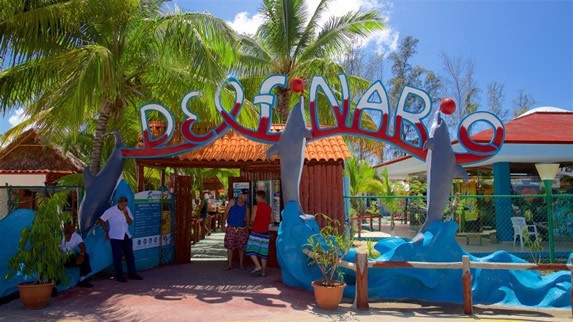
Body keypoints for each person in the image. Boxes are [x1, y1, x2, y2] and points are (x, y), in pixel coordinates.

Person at [98, 196, 143, 283]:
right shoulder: (111, 211)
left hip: (126, 235)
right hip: (115, 236)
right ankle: (119, 276)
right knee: (117, 256)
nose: (123, 206)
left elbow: (130, 222)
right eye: (122, 204)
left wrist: (126, 214)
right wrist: (107, 231)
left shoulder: (127, 209)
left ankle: (132, 274)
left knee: (130, 255)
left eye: (125, 204)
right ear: (118, 203)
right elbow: (101, 220)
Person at [245, 190, 273, 277]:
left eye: (256, 196)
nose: (255, 197)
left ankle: (258, 266)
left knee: (250, 249)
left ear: (259, 197)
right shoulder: (269, 208)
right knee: (263, 253)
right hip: (265, 233)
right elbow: (271, 220)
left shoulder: (256, 207)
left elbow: (252, 220)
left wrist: (249, 224)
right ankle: (263, 272)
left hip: (256, 232)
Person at [222, 188, 250, 270]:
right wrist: (223, 224)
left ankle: (241, 264)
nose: (246, 197)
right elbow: (226, 213)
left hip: (241, 228)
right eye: (244, 195)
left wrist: (247, 230)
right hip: (231, 227)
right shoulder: (232, 201)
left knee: (241, 247)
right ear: (240, 195)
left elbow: (248, 219)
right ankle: (229, 264)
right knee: (230, 246)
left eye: (247, 195)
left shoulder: (246, 206)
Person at [60, 222, 93, 288]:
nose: (73, 229)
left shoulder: (76, 236)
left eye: (73, 227)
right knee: (51, 261)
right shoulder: (59, 235)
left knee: (85, 256)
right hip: (59, 258)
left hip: (70, 258)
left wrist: (81, 255)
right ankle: (53, 285)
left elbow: (82, 246)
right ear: (65, 226)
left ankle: (82, 280)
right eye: (71, 227)